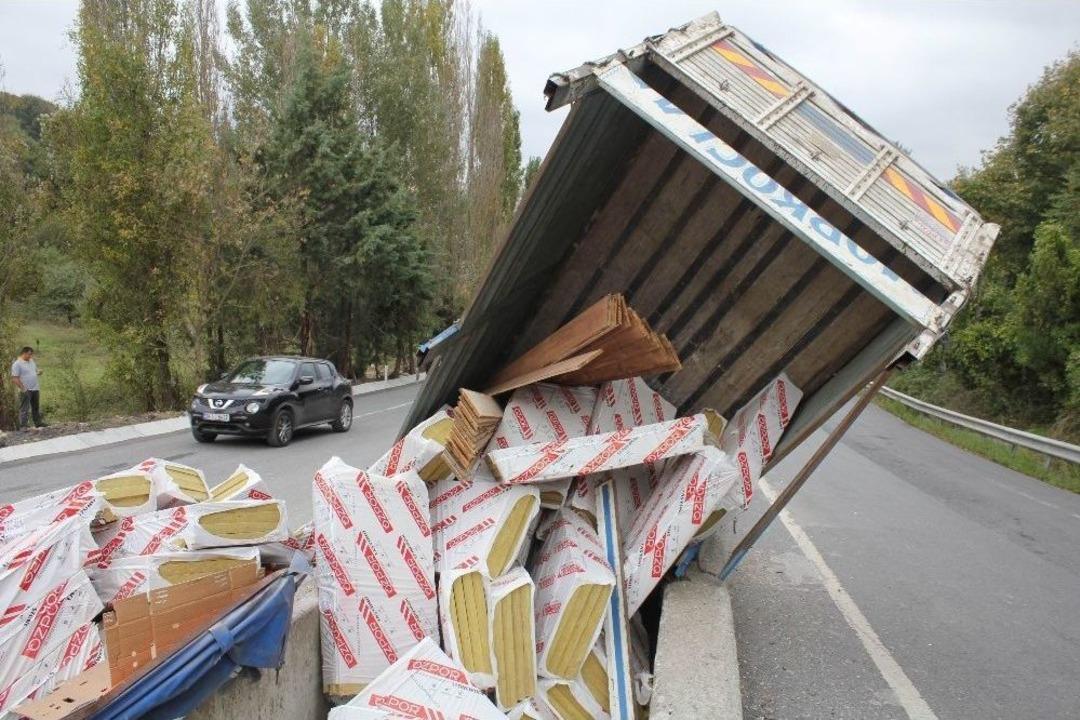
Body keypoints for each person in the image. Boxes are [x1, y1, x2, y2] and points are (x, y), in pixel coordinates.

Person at [10, 346, 46, 430]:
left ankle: (38, 423)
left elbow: (34, 372)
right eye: (29, 354)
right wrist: (23, 388)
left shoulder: (31, 361)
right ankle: (23, 426)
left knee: (36, 407)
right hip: (25, 389)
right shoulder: (17, 364)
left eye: (31, 354)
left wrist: (38, 372)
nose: (30, 356)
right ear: (24, 353)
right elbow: (15, 378)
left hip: (35, 388)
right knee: (24, 408)